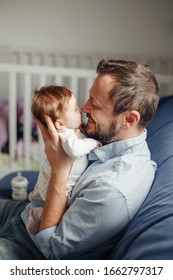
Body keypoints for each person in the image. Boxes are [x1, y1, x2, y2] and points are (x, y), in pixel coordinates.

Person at [0, 58, 159, 260]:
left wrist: (59, 168)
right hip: (24, 215)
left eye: (96, 104)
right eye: (89, 98)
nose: (84, 108)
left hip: (27, 249)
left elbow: (50, 248)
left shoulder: (111, 190)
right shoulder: (110, 138)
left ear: (129, 119)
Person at [27, 85, 101, 234]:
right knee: (64, 210)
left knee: (42, 182)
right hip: (64, 184)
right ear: (60, 124)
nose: (80, 109)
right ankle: (36, 214)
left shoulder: (68, 131)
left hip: (48, 175)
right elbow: (74, 149)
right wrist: (93, 143)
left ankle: (33, 196)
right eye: (74, 109)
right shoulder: (66, 136)